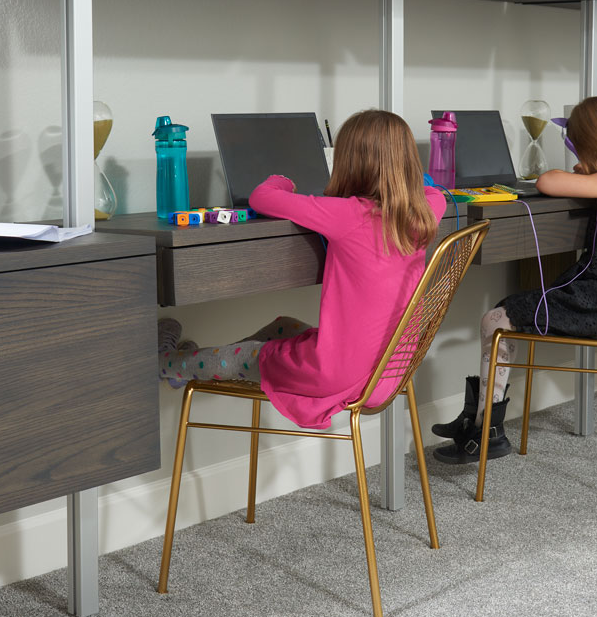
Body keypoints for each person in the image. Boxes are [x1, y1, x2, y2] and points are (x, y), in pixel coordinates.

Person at [158, 109, 448, 430]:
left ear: (351, 163)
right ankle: (193, 365)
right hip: (389, 373)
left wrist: (284, 179)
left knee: (244, 357)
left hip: (338, 375)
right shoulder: (426, 212)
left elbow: (261, 197)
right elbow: (432, 191)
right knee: (283, 326)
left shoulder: (348, 214)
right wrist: (409, 182)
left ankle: (167, 363)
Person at [433, 96, 597, 464]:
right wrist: (590, 172)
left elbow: (547, 180)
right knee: (513, 307)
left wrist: (586, 171)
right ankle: (477, 419)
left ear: (593, 143)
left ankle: (486, 431)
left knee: (495, 319)